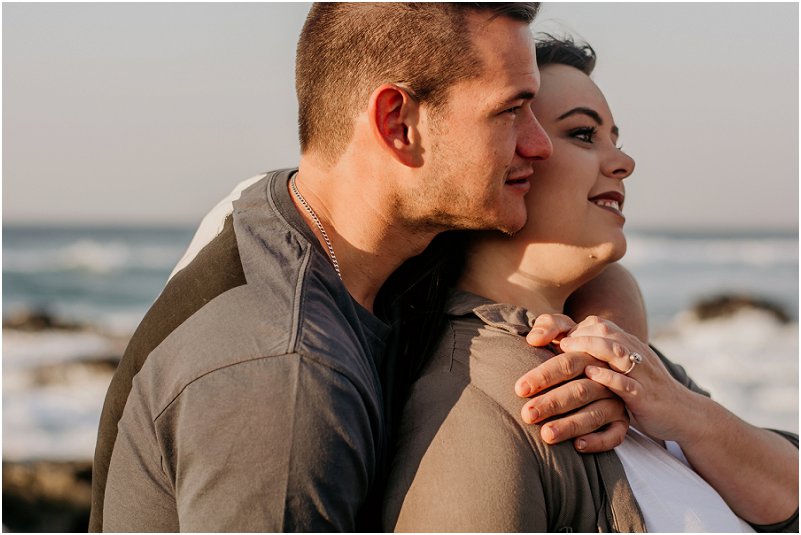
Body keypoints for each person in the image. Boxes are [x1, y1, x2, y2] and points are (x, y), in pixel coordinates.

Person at [89, 4, 641, 531]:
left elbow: (586, 266)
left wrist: (607, 356)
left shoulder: (283, 214)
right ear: (398, 123)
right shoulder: (288, 387)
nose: (538, 145)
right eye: (510, 111)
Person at [382, 37, 799, 532]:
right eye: (583, 133)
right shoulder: (480, 401)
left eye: (614, 139)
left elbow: (787, 495)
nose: (624, 163)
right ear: (503, 159)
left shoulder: (628, 360)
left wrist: (685, 411)